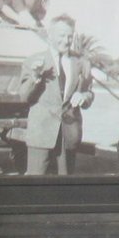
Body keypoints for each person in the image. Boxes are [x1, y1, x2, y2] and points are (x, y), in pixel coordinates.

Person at [18, 15, 93, 176]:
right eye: (61, 35)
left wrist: (83, 96)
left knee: (64, 185)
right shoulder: (33, 61)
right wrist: (35, 77)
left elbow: (89, 93)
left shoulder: (82, 63)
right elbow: (24, 97)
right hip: (41, 133)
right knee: (35, 183)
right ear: (50, 35)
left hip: (69, 134)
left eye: (70, 36)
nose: (66, 41)